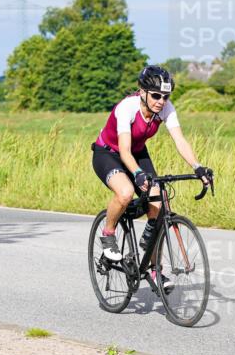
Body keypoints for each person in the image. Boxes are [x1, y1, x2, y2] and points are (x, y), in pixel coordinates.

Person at [91, 65, 213, 290]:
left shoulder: (166, 108)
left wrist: (197, 167)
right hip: (109, 153)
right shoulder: (127, 107)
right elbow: (124, 150)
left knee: (158, 202)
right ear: (142, 91)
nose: (161, 101)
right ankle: (109, 235)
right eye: (156, 95)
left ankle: (155, 270)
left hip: (137, 153)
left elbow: (180, 140)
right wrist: (137, 174)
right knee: (126, 192)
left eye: (165, 96)